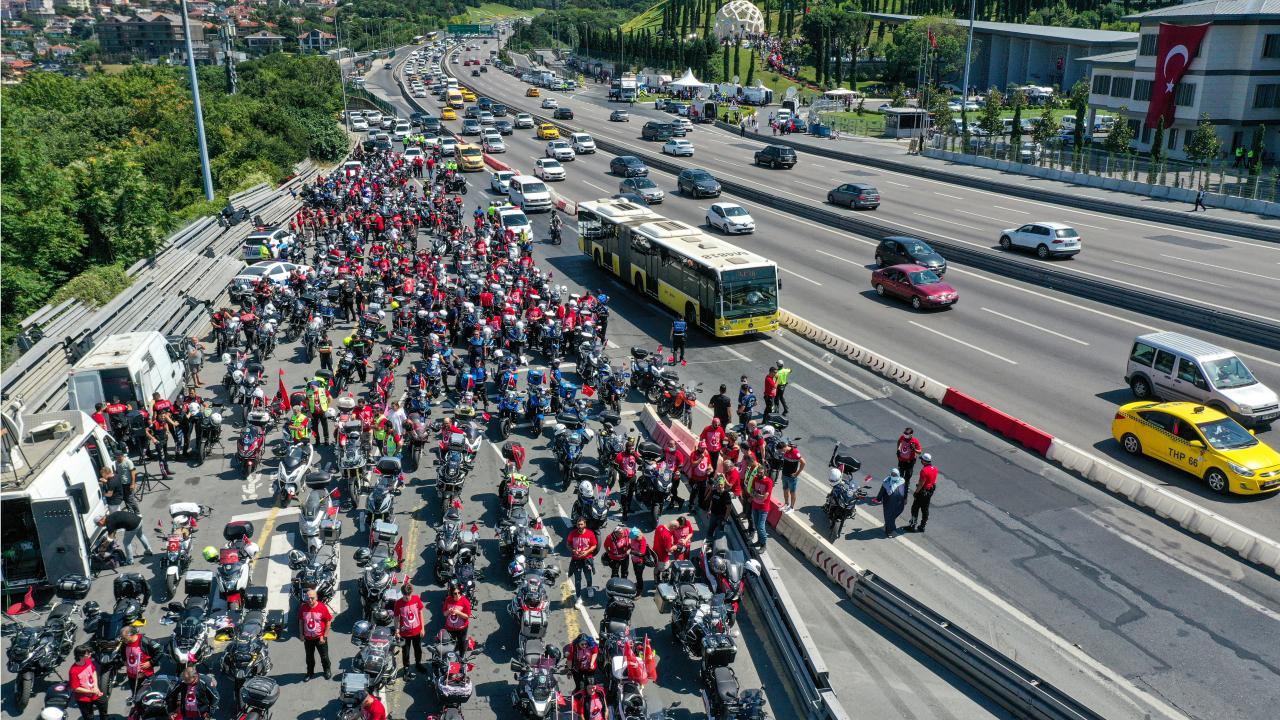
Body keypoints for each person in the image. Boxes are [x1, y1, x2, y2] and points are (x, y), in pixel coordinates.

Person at [299, 588, 334, 679]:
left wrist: (324, 636)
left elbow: (328, 622)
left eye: (312, 598)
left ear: (316, 597)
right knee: (309, 658)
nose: (310, 600)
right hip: (308, 639)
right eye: (308, 598)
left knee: (324, 657)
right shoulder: (303, 607)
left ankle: (327, 670)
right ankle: (310, 673)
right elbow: (301, 621)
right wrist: (301, 634)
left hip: (320, 638)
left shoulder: (322, 607)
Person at [118, 626, 162, 696]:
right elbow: (122, 651)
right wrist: (124, 660)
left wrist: (151, 662)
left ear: (131, 635)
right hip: (131, 677)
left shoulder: (145, 641)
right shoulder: (125, 643)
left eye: (124, 637)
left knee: (148, 695)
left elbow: (160, 650)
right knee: (135, 695)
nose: (122, 640)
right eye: (122, 638)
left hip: (146, 676)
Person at [68, 645, 108, 720]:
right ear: (80, 656)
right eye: (88, 653)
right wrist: (91, 691)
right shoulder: (73, 671)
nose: (90, 654)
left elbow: (93, 672)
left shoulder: (88, 661)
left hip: (95, 692)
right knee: (89, 717)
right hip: (83, 699)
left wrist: (96, 687)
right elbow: (75, 688)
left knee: (103, 702)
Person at [395, 580, 426, 674]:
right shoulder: (398, 603)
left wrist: (423, 628)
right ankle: (406, 668)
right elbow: (396, 618)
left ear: (411, 593)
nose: (407, 597)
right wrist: (397, 631)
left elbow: (420, 613)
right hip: (405, 633)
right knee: (406, 652)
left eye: (409, 595)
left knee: (418, 649)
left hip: (417, 631)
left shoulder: (416, 599)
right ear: (402, 594)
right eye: (405, 595)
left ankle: (418, 664)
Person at [567, 518, 598, 600]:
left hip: (587, 559)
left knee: (588, 576)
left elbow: (594, 545)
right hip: (576, 560)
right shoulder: (572, 534)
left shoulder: (590, 534)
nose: (580, 526)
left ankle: (589, 588)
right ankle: (578, 595)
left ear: (585, 525)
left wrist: (587, 552)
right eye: (578, 524)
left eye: (581, 524)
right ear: (576, 525)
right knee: (577, 579)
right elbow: (568, 544)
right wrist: (573, 550)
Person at [907, 454, 938, 533]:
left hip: (922, 492)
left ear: (924, 461)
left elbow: (921, 483)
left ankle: (912, 526)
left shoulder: (924, 470)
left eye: (922, 460)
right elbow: (933, 481)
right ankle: (922, 526)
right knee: (925, 509)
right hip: (930, 492)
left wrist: (916, 492)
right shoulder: (935, 469)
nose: (921, 461)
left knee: (915, 508)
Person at [441, 580, 472, 653]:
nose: (458, 595)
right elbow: (444, 614)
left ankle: (461, 658)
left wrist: (458, 612)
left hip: (461, 629)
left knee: (461, 643)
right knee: (450, 644)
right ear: (452, 593)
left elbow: (467, 616)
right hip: (450, 628)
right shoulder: (448, 600)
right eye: (455, 593)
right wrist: (449, 611)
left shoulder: (465, 601)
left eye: (459, 593)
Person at [876, 469, 908, 538]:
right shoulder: (886, 482)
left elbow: (905, 490)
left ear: (898, 474)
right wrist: (878, 498)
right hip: (889, 503)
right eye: (892, 474)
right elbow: (882, 491)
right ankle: (889, 532)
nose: (894, 476)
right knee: (889, 517)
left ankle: (888, 525)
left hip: (899, 503)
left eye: (895, 474)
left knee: (894, 515)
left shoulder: (902, 481)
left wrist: (905, 498)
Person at [749, 467, 775, 550]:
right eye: (758, 472)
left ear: (765, 472)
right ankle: (759, 541)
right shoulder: (755, 478)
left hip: (763, 508)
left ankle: (763, 544)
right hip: (755, 505)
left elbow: (764, 497)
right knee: (756, 525)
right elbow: (752, 490)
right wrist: (757, 495)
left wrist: (756, 495)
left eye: (761, 473)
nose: (759, 474)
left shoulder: (768, 482)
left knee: (760, 526)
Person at [779, 442, 805, 512]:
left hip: (792, 477)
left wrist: (797, 473)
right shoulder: (784, 452)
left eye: (781, 450)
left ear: (784, 447)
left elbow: (803, 462)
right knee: (785, 490)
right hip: (784, 475)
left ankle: (791, 507)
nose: (781, 452)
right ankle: (786, 504)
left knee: (792, 492)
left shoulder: (795, 452)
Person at [705, 476, 733, 540]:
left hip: (721, 516)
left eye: (721, 484)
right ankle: (709, 541)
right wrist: (709, 510)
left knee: (720, 532)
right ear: (716, 484)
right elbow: (712, 501)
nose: (720, 486)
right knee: (710, 530)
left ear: (724, 485)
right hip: (713, 514)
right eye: (719, 484)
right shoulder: (714, 491)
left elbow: (729, 508)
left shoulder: (726, 494)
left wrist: (725, 519)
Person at [627, 527, 649, 593]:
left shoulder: (642, 540)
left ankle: (640, 589)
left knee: (639, 576)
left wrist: (631, 552)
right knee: (636, 574)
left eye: (632, 538)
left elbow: (642, 553)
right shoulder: (634, 538)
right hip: (634, 560)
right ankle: (638, 584)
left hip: (640, 562)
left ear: (636, 537)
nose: (631, 539)